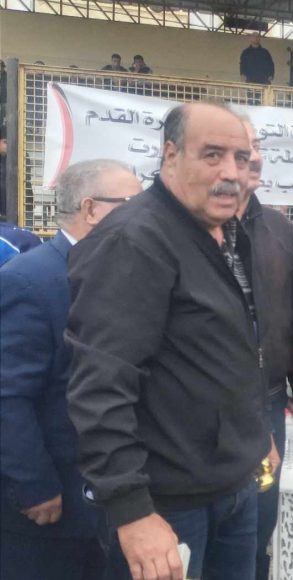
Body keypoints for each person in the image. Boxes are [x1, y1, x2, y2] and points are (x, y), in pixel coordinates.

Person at [67, 102, 269, 580]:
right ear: (170, 155)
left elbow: (219, 356)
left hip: (232, 488)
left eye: (241, 158)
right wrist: (132, 511)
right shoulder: (135, 241)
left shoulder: (222, 233)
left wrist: (255, 438)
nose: (231, 172)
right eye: (213, 155)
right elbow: (100, 386)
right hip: (167, 507)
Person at [1, 160, 140, 580]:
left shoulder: (131, 275)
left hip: (117, 500)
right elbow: (8, 396)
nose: (145, 218)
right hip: (53, 510)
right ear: (90, 209)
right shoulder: (29, 280)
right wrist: (34, 485)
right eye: (132, 205)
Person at [236, 118, 293, 580]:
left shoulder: (278, 229)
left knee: (259, 528)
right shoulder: (177, 231)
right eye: (242, 148)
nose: (255, 156)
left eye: (256, 146)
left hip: (270, 401)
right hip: (205, 411)